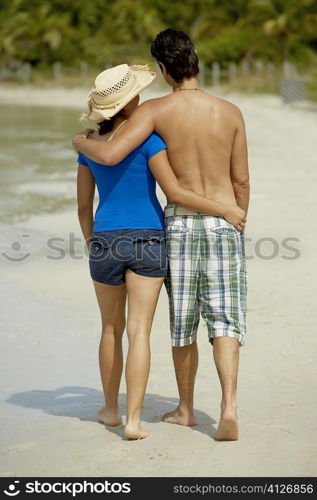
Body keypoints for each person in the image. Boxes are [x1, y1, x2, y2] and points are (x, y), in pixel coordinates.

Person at [76, 63, 246, 440]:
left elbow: (83, 207)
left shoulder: (88, 148)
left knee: (109, 328)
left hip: (105, 239)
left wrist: (92, 241)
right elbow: (172, 189)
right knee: (140, 332)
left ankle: (109, 410)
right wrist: (229, 209)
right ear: (132, 98)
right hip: (149, 239)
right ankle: (134, 421)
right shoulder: (149, 141)